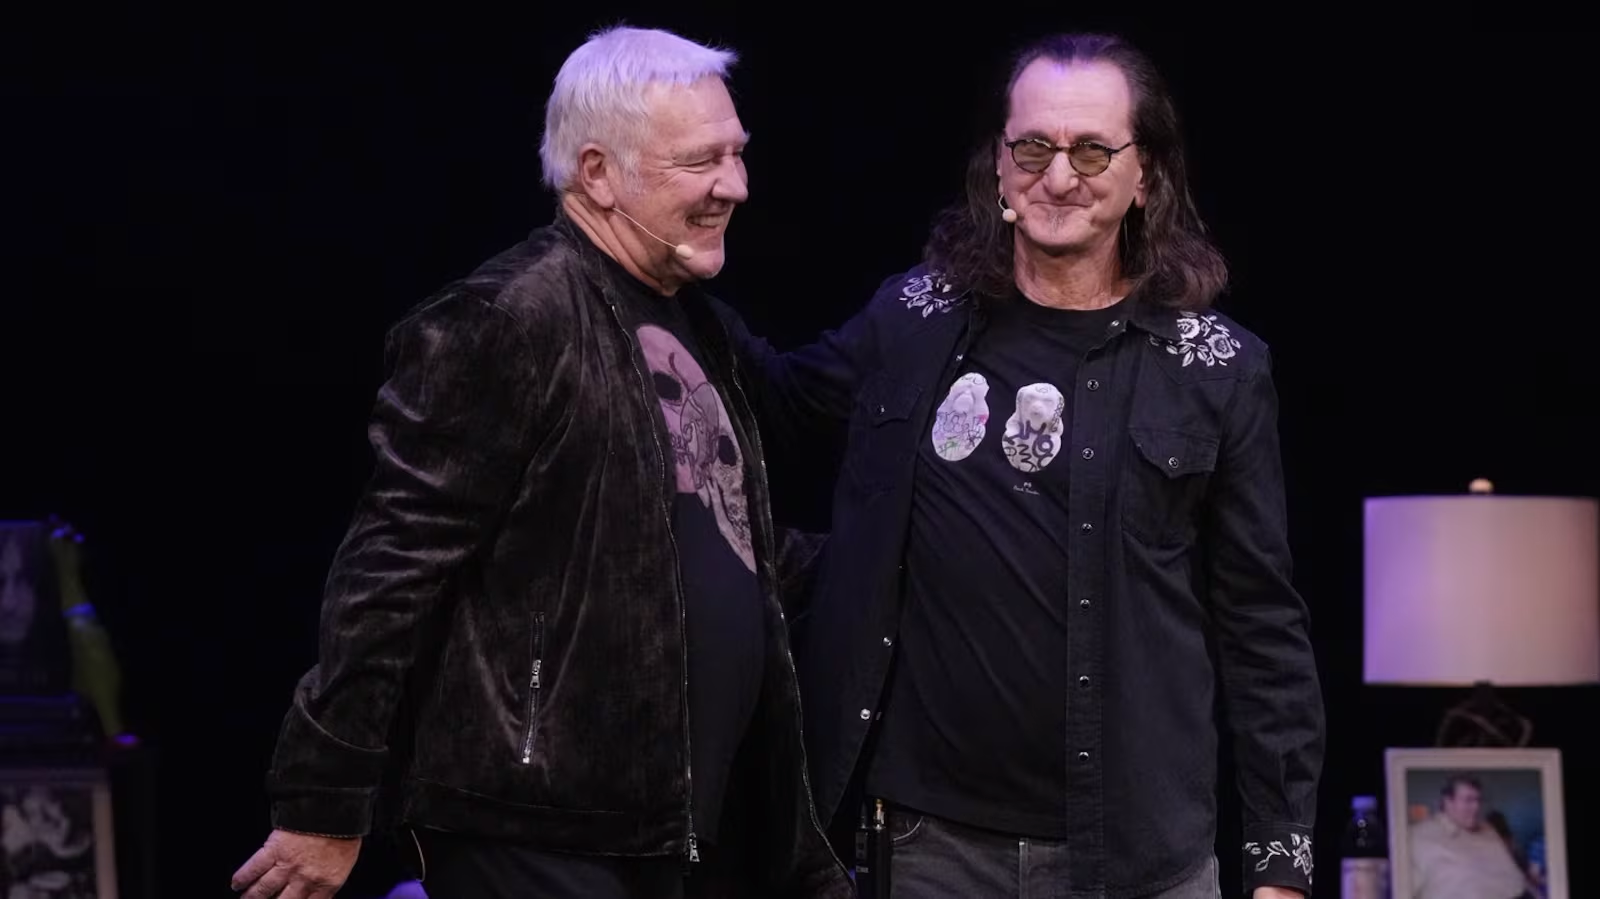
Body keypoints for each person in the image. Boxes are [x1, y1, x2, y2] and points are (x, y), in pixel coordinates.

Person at [228, 25, 851, 899]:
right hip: (534, 829)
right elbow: (388, 573)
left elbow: (711, 541)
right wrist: (324, 800)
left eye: (738, 153)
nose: (735, 185)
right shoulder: (506, 320)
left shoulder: (695, 320)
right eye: (701, 161)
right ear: (597, 173)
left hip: (668, 835)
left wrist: (911, 565)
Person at [721, 31, 1324, 898]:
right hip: (928, 848)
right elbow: (771, 405)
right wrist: (662, 273)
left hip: (1140, 859)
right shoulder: (913, 317)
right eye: (1034, 147)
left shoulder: (1219, 368)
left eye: (1092, 150)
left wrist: (1281, 865)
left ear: (1146, 174)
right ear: (999, 168)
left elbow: (1262, 626)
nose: (1059, 175)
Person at [1410, 776, 1535, 899]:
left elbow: (1513, 872)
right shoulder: (1417, 836)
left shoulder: (1487, 828)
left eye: (1478, 800)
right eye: (1468, 800)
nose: (1476, 807)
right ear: (1448, 802)